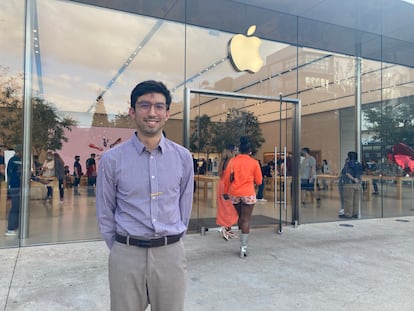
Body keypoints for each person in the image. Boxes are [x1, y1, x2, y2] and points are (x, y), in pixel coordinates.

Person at [96, 80, 194, 311]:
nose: (152, 112)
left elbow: (185, 207)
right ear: (132, 111)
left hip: (170, 254)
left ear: (168, 113)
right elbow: (105, 211)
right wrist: (123, 248)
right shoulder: (112, 160)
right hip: (126, 256)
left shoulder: (183, 157)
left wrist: (171, 243)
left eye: (159, 106)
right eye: (144, 105)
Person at [222, 136, 262, 258]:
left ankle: (241, 241)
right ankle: (243, 248)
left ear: (239, 150)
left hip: (234, 193)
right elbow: (259, 181)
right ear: (249, 151)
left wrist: (225, 191)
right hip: (248, 192)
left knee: (240, 217)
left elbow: (226, 178)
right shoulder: (254, 162)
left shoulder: (233, 161)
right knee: (246, 219)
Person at [215, 144, 238, 241]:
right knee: (231, 208)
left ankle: (225, 228)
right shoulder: (232, 161)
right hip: (229, 186)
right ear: (232, 151)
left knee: (223, 208)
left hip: (221, 185)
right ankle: (227, 229)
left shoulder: (223, 161)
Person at [339, 151, 363, 219]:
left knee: (348, 200)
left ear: (349, 157)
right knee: (356, 200)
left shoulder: (348, 164)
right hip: (357, 184)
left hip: (349, 184)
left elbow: (346, 173)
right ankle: (355, 213)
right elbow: (361, 173)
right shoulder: (359, 164)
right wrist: (357, 180)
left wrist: (353, 179)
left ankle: (348, 214)